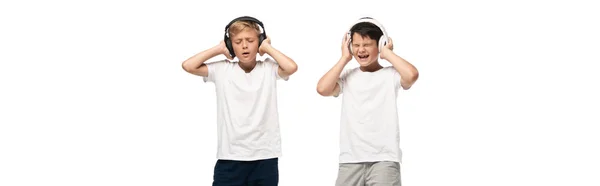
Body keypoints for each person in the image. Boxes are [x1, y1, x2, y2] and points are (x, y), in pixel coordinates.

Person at [181, 16, 298, 186]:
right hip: (230, 157)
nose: (244, 45)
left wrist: (267, 48)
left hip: (265, 156)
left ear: (259, 42)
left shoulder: (269, 68)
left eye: (250, 40)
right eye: (237, 41)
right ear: (230, 45)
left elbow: (291, 67)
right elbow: (188, 66)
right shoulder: (222, 69)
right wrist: (219, 49)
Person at [316, 17, 419, 186]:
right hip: (350, 160)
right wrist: (344, 58)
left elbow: (412, 75)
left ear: (379, 45)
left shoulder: (391, 74)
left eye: (367, 44)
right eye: (356, 45)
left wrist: (387, 53)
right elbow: (322, 89)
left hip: (384, 159)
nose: (361, 50)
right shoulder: (347, 76)